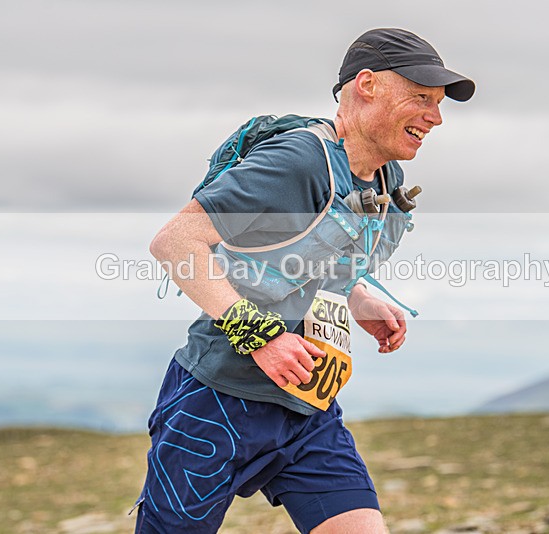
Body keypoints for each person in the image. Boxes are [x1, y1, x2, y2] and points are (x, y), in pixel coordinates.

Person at [134, 28, 474, 534]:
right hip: (215, 402)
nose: (436, 117)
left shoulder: (384, 179)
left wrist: (358, 297)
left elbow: (308, 260)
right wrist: (262, 336)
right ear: (367, 85)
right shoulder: (298, 161)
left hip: (307, 405)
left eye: (440, 104)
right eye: (421, 98)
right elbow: (175, 243)